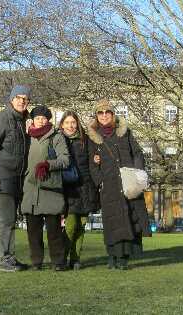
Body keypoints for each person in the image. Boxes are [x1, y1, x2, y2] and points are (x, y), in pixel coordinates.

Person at [88, 99, 151, 270]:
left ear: (113, 114)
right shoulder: (93, 138)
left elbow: (137, 153)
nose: (104, 116)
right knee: (112, 223)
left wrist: (138, 173)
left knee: (129, 221)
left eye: (107, 112)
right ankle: (112, 257)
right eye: (100, 113)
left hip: (128, 184)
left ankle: (123, 259)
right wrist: (99, 180)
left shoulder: (125, 132)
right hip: (108, 187)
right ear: (96, 116)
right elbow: (91, 164)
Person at [0, 85, 31, 272]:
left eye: (25, 98)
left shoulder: (24, 120)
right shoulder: (2, 119)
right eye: (18, 97)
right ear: (11, 99)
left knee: (12, 220)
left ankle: (9, 257)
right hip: (4, 178)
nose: (21, 101)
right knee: (7, 220)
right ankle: (2, 260)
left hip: (19, 179)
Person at [21, 105, 70, 271]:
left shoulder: (57, 137)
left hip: (50, 189)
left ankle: (58, 262)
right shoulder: (27, 138)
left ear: (48, 119)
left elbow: (65, 160)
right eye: (37, 118)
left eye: (43, 118)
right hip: (30, 190)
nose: (40, 121)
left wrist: (47, 164)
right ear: (32, 120)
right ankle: (36, 262)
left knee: (54, 231)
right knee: (33, 232)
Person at [59, 111, 99, 270]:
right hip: (68, 188)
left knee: (82, 225)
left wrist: (96, 159)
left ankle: (75, 258)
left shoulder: (85, 140)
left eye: (73, 122)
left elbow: (92, 160)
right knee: (70, 225)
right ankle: (62, 258)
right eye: (67, 123)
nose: (71, 126)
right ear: (62, 124)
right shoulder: (58, 140)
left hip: (85, 186)